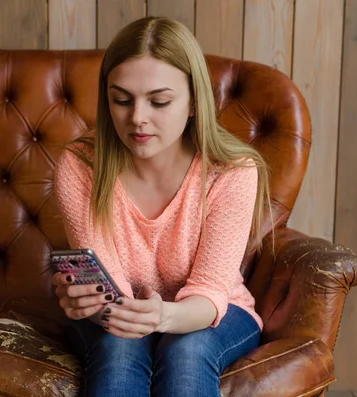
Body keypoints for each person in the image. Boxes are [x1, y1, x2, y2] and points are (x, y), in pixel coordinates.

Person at [52, 16, 272, 397]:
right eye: (121, 99)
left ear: (192, 104)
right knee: (120, 345)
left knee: (187, 349)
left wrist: (164, 317)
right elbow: (110, 295)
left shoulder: (232, 171)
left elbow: (209, 291)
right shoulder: (80, 165)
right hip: (121, 313)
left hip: (212, 309)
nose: (137, 118)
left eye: (159, 101)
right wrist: (85, 300)